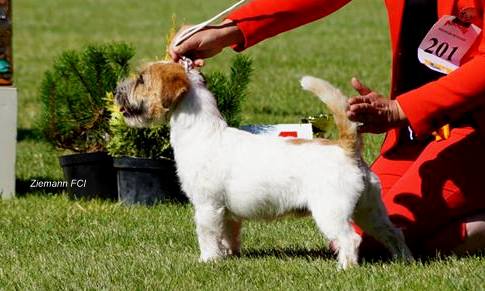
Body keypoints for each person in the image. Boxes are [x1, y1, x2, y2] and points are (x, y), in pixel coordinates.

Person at [170, 0, 485, 257]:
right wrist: (230, 31)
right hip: (416, 134)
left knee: (404, 242)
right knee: (362, 235)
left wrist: (401, 108)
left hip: (474, 133)